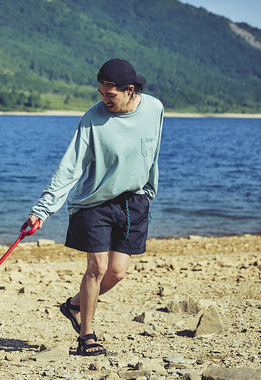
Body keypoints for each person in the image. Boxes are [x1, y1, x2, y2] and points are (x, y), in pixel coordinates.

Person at [23, 58, 163, 356]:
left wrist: (149, 187)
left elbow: (152, 149)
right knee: (97, 268)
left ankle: (74, 305)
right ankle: (86, 336)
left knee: (118, 271)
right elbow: (70, 167)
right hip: (94, 203)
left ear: (129, 90)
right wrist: (42, 210)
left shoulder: (154, 108)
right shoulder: (92, 119)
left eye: (109, 95)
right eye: (100, 93)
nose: (104, 100)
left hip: (133, 201)